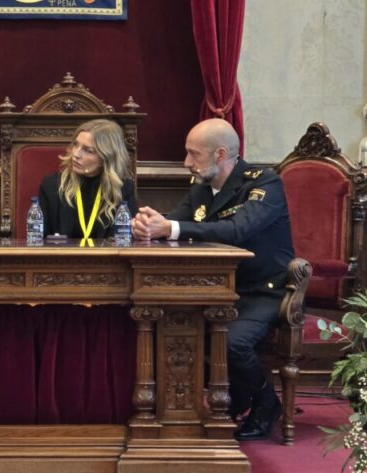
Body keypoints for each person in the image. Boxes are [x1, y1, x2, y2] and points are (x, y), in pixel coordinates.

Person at [131, 118, 294, 441]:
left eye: (194, 154)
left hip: (262, 290)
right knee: (176, 329)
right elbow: (175, 222)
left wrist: (170, 229)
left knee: (232, 343)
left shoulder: (264, 183)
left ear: (220, 154)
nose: (186, 162)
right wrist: (149, 225)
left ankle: (265, 402)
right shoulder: (201, 189)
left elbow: (237, 231)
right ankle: (213, 403)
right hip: (216, 289)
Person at [37, 119, 138, 240]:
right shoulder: (52, 186)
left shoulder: (123, 188)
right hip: (61, 257)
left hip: (106, 258)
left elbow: (126, 240)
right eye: (76, 145)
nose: (76, 154)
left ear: (106, 157)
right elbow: (38, 239)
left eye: (88, 150)